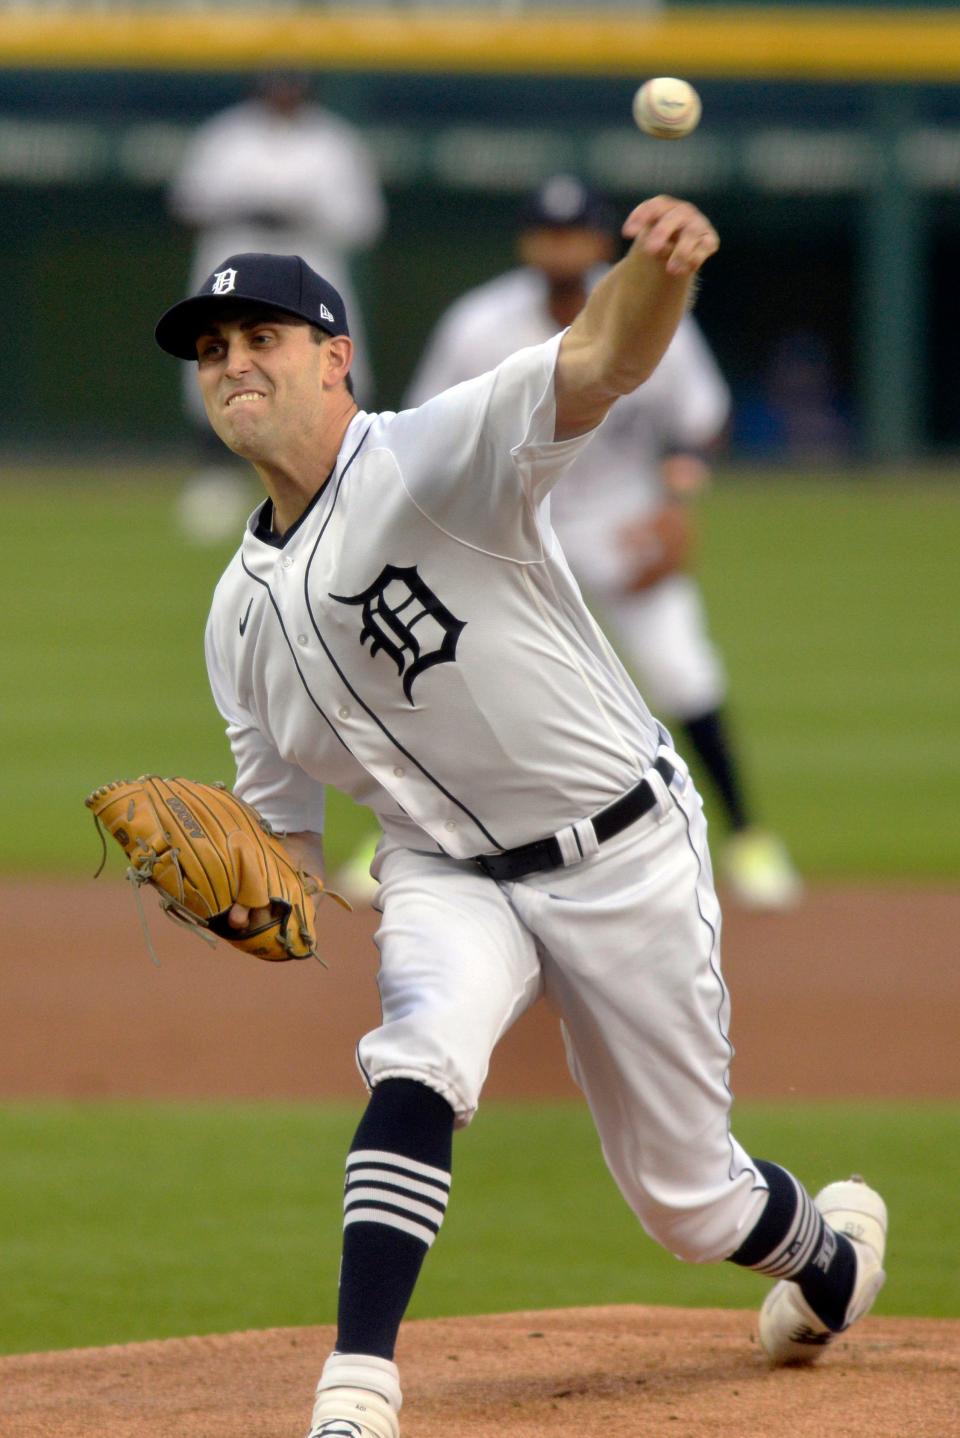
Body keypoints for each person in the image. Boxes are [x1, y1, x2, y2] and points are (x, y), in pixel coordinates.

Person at [153, 199, 887, 1438]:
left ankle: (830, 1258)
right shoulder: (236, 616)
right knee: (419, 1055)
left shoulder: (435, 458)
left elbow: (601, 362)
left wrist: (656, 273)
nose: (234, 362)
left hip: (624, 851)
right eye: (213, 347)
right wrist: (237, 897)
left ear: (334, 355)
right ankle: (357, 1388)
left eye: (261, 335)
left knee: (686, 1204)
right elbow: (278, 854)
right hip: (443, 873)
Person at [391, 173, 800, 913]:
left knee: (684, 677)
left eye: (574, 231)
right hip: (512, 536)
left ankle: (748, 836)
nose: (560, 245)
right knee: (462, 689)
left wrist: (678, 504)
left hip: (624, 528)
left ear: (599, 240)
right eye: (547, 231)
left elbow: (703, 420)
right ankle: (413, 839)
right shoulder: (478, 323)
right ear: (528, 241)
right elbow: (422, 432)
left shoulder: (647, 305)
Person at [167, 70, 386, 541]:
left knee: (329, 370)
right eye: (275, 83)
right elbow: (186, 202)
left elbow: (364, 220)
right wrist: (248, 206)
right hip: (234, 269)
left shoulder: (333, 141)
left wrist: (300, 210)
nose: (284, 93)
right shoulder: (226, 135)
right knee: (221, 365)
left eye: (293, 83)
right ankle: (216, 480)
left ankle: (344, 478)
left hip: (309, 270)